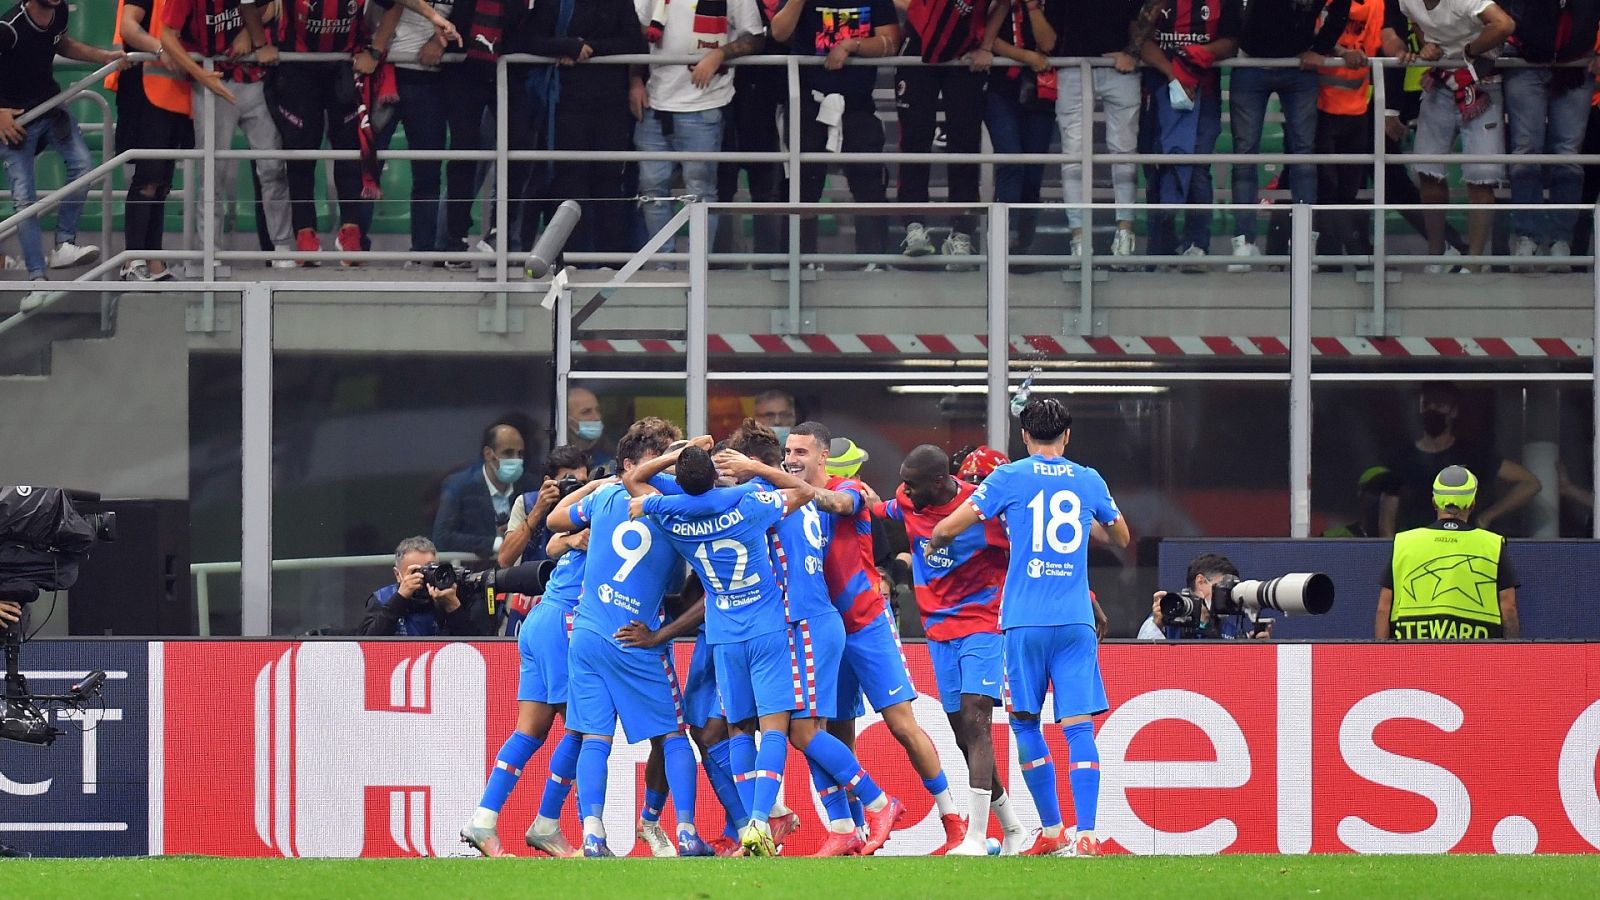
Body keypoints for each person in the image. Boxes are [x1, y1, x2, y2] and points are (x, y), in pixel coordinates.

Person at [633, 441, 912, 857]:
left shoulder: (670, 512)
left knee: (785, 729)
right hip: (771, 626)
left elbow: (636, 480)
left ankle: (848, 812)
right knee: (756, 728)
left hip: (793, 624)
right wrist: (755, 471)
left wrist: (682, 455)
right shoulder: (752, 502)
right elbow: (802, 493)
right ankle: (768, 824)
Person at [928, 397, 1130, 857]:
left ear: (1023, 436)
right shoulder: (1088, 479)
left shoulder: (1008, 477)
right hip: (1075, 619)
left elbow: (946, 531)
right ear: (1068, 435)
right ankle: (1088, 836)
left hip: (1022, 620)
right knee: (1079, 729)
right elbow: (1120, 537)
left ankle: (1053, 828)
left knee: (1024, 723)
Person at [783, 421, 961, 855]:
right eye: (787, 452)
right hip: (823, 631)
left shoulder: (851, 490)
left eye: (801, 453)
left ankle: (953, 820)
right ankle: (852, 830)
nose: (791, 460)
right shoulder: (785, 501)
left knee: (902, 725)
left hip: (867, 623)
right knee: (827, 733)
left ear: (823, 457)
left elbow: (838, 502)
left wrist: (771, 475)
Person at [544, 417, 713, 858]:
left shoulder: (605, 496)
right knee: (674, 736)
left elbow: (556, 519)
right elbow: (697, 585)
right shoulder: (672, 508)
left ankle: (593, 836)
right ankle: (688, 833)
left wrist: (598, 484)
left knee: (594, 737)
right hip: (635, 638)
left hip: (587, 632)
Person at [875, 444, 1029, 856]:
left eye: (912, 482)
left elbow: (1030, 554)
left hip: (983, 623)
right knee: (963, 734)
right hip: (938, 630)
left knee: (976, 718)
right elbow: (879, 510)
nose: (904, 489)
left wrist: (1079, 593)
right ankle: (1012, 828)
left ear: (941, 482)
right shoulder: (908, 501)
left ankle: (976, 838)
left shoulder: (983, 511)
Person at [459, 480, 603, 858]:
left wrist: (571, 539)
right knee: (585, 729)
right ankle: (550, 823)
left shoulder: (597, 506)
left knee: (531, 730)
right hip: (564, 623)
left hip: (539, 619)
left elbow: (555, 543)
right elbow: (557, 542)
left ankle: (483, 820)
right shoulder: (623, 506)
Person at [264, 0, 454, 265]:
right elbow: (253, 5)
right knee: (300, 153)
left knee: (351, 151)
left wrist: (375, 52)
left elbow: (396, 2)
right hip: (299, 67)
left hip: (344, 66)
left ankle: (351, 234)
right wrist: (259, 42)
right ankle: (304, 235)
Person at [159, 0, 299, 267]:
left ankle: (282, 248)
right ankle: (210, 253)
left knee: (272, 167)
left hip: (254, 81)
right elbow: (167, 35)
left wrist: (247, 30)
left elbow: (270, 8)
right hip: (212, 85)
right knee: (212, 174)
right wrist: (200, 74)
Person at [1225, 0, 1355, 272]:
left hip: (1298, 64)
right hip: (1251, 61)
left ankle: (1304, 242)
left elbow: (1340, 10)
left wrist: (1319, 48)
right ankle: (1243, 243)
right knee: (1245, 153)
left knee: (1304, 155)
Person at [769, 0, 900, 266]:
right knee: (802, 182)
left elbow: (890, 41)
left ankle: (873, 260)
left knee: (869, 180)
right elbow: (779, 33)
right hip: (808, 102)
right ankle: (799, 260)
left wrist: (852, 45)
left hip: (858, 103)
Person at [1388, 0, 1515, 273]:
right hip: (1440, 82)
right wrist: (1429, 47)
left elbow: (1504, 24)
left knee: (1482, 177)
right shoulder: (1407, 1)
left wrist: (1469, 51)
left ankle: (1475, 264)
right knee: (1428, 171)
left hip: (1483, 83)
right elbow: (1417, 25)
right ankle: (1437, 255)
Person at [632, 0, 764, 262]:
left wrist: (718, 55)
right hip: (654, 100)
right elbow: (635, 30)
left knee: (700, 191)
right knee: (652, 189)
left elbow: (755, 37)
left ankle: (698, 267)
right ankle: (663, 267)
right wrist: (635, 79)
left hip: (704, 102)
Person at [0, 0, 121, 281]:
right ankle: (37, 277)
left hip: (50, 109)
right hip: (16, 122)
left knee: (82, 165)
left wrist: (103, 56)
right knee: (24, 200)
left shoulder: (60, 11)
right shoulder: (9, 28)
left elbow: (60, 43)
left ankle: (64, 244)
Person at [525, 0, 645, 259]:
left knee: (609, 180)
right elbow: (530, 39)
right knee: (569, 181)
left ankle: (610, 261)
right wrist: (566, 46)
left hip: (611, 106)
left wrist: (587, 50)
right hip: (565, 105)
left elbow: (634, 43)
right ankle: (571, 259)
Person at [895, 0, 1004, 266]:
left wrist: (987, 44)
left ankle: (962, 234)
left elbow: (1003, 3)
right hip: (918, 45)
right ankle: (914, 227)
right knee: (914, 138)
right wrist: (926, 14)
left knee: (965, 142)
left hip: (966, 52)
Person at [1136, 0, 1241, 267]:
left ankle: (1196, 245)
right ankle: (1160, 246)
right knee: (1159, 164)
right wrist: (1174, 74)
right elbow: (1139, 39)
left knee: (1196, 165)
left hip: (1203, 94)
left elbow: (1230, 43)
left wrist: (1192, 56)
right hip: (1159, 89)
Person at [1501, 0, 1598, 272]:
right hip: (1524, 59)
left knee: (1568, 156)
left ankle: (1561, 241)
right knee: (1525, 151)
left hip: (1578, 64)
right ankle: (1526, 237)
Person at [1054, 0, 1152, 259]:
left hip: (1121, 67)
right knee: (1073, 155)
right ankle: (1079, 238)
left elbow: (1145, 12)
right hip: (1071, 65)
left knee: (1124, 153)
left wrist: (1132, 51)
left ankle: (1125, 234)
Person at [1377, 465, 1520, 639]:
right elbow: (1509, 608)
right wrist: (1512, 656)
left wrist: (1382, 657)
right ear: (1473, 504)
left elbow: (1384, 608)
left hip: (1411, 656)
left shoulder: (1405, 542)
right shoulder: (1492, 545)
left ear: (1434, 502)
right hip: (1477, 657)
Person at [1381, 382, 1541, 536]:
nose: (1432, 410)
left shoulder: (1472, 454)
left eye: (1439, 405)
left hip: (1464, 546)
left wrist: (1486, 517)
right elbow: (1387, 520)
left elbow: (1530, 483)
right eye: (1426, 404)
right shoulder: (1401, 459)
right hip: (1419, 550)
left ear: (1454, 411)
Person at [107, 0, 194, 282]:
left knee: (162, 183)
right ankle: (132, 259)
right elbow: (128, 27)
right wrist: (159, 48)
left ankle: (154, 258)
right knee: (147, 179)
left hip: (175, 94)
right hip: (143, 94)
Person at [1314, 0, 1385, 264]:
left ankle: (1353, 260)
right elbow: (1310, 36)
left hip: (1357, 109)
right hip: (1319, 108)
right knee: (1326, 190)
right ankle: (1332, 260)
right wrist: (1341, 51)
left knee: (1348, 192)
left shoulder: (1376, 4)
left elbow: (1376, 45)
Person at [986, 0, 1057, 254]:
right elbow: (987, 38)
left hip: (1042, 95)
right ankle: (1001, 242)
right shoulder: (1001, 4)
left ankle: (1023, 246)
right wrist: (1026, 57)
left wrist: (1032, 7)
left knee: (1032, 173)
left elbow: (1048, 43)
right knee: (1011, 161)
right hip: (1000, 92)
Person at [432, 421, 536, 557]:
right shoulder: (459, 486)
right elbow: (442, 538)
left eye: (520, 454)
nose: (516, 460)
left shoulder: (529, 486)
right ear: (488, 454)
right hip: (476, 570)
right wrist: (497, 543)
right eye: (508, 453)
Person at [1136, 552, 1273, 639]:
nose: (1228, 596)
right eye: (1223, 587)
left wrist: (1254, 648)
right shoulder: (1168, 615)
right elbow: (1143, 660)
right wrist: (1156, 625)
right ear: (1200, 582)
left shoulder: (1231, 628)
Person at [357, 536, 475, 635]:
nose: (423, 577)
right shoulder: (382, 598)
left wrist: (454, 608)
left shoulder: (446, 596)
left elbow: (475, 649)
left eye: (431, 570)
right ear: (398, 574)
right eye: (416, 572)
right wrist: (399, 598)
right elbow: (367, 644)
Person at [498, 444, 591, 567]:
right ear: (549, 481)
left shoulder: (590, 506)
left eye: (582, 483)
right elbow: (505, 559)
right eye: (570, 482)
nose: (576, 489)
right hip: (533, 581)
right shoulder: (527, 503)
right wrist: (538, 510)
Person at [1323, 465, 1402, 537]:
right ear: (1361, 496)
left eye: (1391, 492)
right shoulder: (1334, 539)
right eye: (1376, 490)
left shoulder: (1407, 538)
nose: (1383, 498)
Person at [567, 385, 615, 470]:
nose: (596, 417)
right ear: (568, 419)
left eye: (598, 410)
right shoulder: (550, 455)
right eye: (586, 412)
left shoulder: (608, 458)